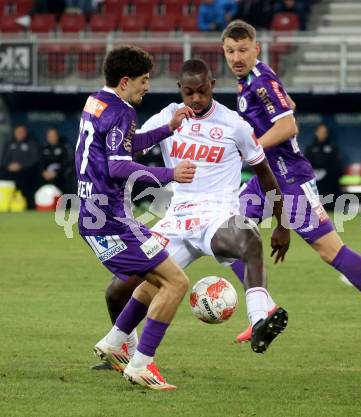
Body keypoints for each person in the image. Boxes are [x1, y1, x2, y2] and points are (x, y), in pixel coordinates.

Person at [221, 20, 361, 356]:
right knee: (225, 235)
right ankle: (262, 310)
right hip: (267, 178)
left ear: (256, 48)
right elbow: (288, 105)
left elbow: (288, 123)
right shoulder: (250, 79)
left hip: (289, 178)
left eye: (243, 50)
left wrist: (252, 148)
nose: (236, 56)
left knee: (329, 250)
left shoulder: (261, 81)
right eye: (230, 51)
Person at [96, 58, 290, 370]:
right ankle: (120, 348)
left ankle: (258, 321)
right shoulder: (168, 116)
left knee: (249, 239)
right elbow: (128, 151)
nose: (196, 99)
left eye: (201, 91)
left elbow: (266, 173)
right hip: (175, 219)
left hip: (216, 215)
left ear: (212, 86)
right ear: (180, 90)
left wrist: (282, 223)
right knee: (117, 291)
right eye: (189, 93)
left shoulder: (235, 125)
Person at [75, 45, 198, 391]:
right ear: (126, 80)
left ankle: (115, 342)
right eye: (144, 80)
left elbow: (123, 148)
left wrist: (168, 128)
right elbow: (118, 166)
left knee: (156, 279)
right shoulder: (123, 112)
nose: (147, 86)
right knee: (176, 282)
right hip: (112, 219)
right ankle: (142, 363)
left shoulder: (97, 103)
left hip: (93, 215)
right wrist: (170, 174)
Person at [0, 124, 40, 208]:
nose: (19, 134)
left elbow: (34, 159)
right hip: (9, 171)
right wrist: (9, 166)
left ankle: (26, 205)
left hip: (26, 171)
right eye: (18, 132)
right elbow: (4, 160)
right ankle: (5, 203)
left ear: (25, 133)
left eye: (21, 132)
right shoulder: (9, 143)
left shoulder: (32, 142)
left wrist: (21, 166)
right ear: (14, 132)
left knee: (26, 178)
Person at [305, 123, 342, 210]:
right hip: (314, 178)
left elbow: (336, 164)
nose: (322, 134)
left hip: (329, 180)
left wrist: (327, 173)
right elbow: (306, 164)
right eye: (320, 132)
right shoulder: (310, 148)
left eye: (324, 132)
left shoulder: (333, 148)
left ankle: (331, 208)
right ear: (316, 133)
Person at [40, 127, 71, 192]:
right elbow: (41, 163)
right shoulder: (44, 148)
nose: (52, 138)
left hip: (59, 177)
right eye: (50, 136)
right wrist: (43, 172)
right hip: (46, 176)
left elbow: (66, 164)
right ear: (47, 137)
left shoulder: (63, 148)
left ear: (57, 136)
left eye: (53, 136)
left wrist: (56, 173)